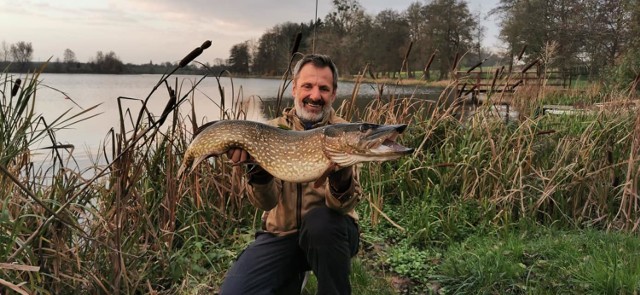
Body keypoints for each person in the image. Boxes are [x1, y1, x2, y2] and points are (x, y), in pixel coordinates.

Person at [219, 54, 361, 295]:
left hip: (330, 235)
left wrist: (341, 177)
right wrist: (258, 172)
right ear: (294, 88)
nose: (315, 96)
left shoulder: (344, 133)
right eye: (308, 86)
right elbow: (265, 202)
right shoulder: (270, 130)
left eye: (324, 89)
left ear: (334, 94)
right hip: (281, 234)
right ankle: (293, 275)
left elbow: (342, 207)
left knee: (321, 224)